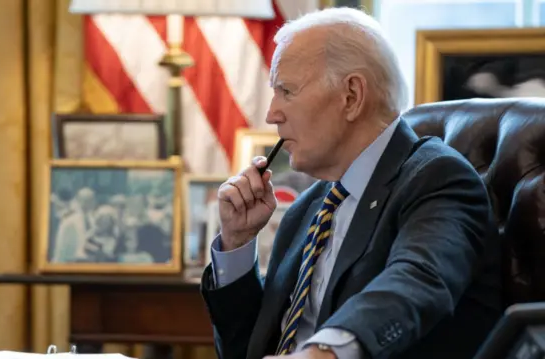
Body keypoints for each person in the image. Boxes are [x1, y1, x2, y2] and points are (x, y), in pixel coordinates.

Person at [200, 7, 501, 359]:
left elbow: (417, 281)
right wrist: (237, 243)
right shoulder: (307, 209)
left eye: (286, 91)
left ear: (351, 96)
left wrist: (323, 352)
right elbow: (246, 351)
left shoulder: (438, 179)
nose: (271, 114)